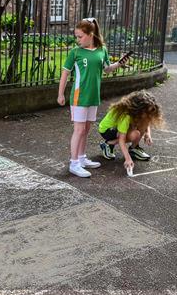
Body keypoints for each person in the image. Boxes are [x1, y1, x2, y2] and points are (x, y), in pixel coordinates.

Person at [57, 17, 131, 178]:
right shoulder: (75, 52)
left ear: (90, 34)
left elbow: (107, 69)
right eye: (76, 36)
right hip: (79, 97)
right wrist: (60, 94)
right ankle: (74, 163)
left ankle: (82, 158)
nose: (77, 40)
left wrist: (119, 64)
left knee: (87, 129)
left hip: (93, 97)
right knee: (79, 129)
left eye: (80, 36)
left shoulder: (101, 50)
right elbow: (65, 73)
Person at [98, 90, 164, 173]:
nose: (148, 113)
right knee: (135, 134)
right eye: (147, 111)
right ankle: (108, 144)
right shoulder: (126, 115)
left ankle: (134, 149)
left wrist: (147, 133)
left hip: (119, 128)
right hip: (107, 130)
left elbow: (147, 121)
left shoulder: (137, 112)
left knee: (144, 120)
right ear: (139, 108)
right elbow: (122, 140)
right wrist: (127, 159)